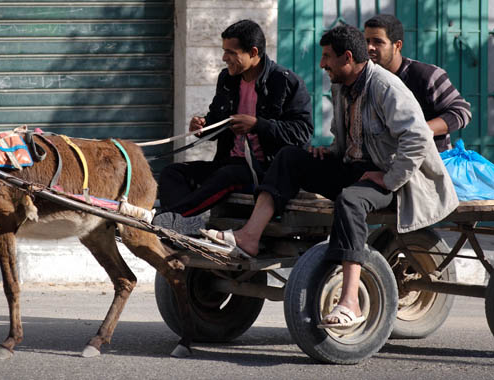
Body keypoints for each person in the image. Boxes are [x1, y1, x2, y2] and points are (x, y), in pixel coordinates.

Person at [201, 25, 458, 329]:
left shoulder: (386, 87)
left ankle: (350, 301)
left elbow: (418, 139)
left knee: (351, 200)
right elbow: (351, 136)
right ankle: (249, 237)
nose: (321, 64)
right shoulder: (342, 86)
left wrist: (389, 178)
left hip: (397, 182)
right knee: (290, 157)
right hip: (355, 168)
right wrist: (331, 152)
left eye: (326, 57)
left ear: (347, 57)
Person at [153, 19, 313, 235]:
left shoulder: (286, 82)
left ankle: (171, 219)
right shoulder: (227, 79)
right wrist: (203, 126)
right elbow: (215, 124)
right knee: (172, 173)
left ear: (253, 52)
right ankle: (185, 224)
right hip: (228, 163)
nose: (224, 58)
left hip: (265, 173)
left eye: (230, 52)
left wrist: (257, 125)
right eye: (223, 51)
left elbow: (302, 133)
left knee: (229, 175)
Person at [364, 14, 472, 152]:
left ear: (397, 45)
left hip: (430, 165)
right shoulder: (367, 78)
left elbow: (461, 112)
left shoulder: (426, 75)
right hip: (384, 165)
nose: (370, 47)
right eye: (367, 41)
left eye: (378, 42)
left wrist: (417, 131)